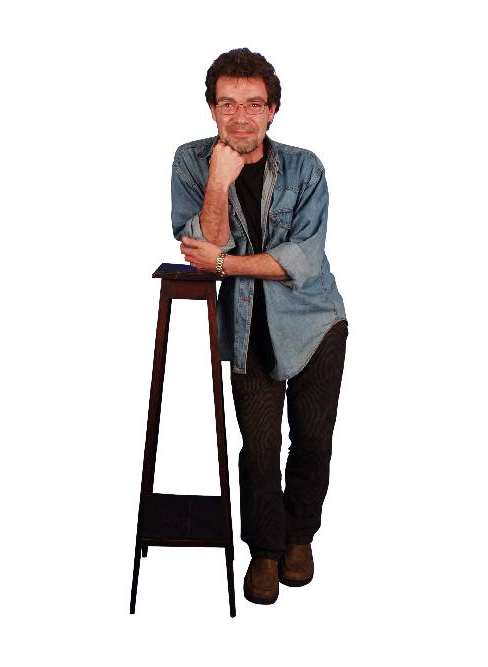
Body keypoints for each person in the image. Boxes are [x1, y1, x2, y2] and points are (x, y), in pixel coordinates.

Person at [171, 47, 348, 605]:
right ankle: (266, 551)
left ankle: (300, 538)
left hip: (316, 323)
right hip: (248, 325)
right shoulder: (190, 161)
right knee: (260, 448)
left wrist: (224, 265)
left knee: (313, 439)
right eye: (228, 103)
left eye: (254, 104)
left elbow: (303, 260)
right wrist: (218, 183)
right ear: (212, 109)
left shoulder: (305, 166)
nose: (241, 116)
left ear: (273, 109)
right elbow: (204, 244)